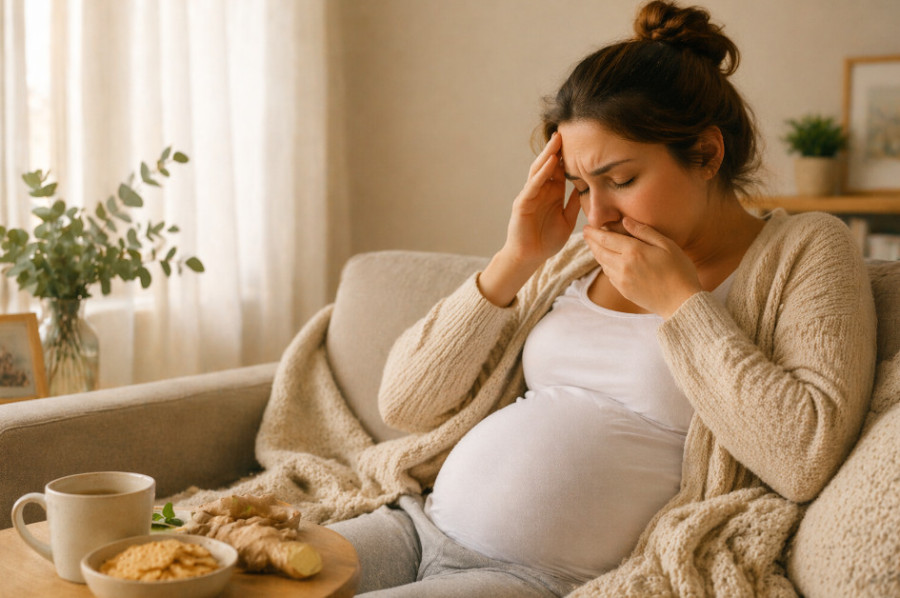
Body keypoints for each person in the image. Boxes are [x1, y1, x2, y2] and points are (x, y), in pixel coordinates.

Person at [329, 1, 877, 596]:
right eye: (581, 185)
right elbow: (404, 405)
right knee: (236, 578)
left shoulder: (805, 248)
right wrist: (517, 260)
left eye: (620, 180)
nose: (598, 213)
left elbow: (804, 459)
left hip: (527, 577)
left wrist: (680, 304)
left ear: (707, 153)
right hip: (413, 525)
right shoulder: (577, 255)